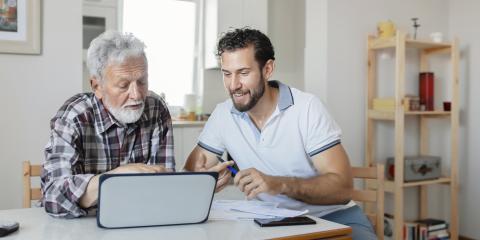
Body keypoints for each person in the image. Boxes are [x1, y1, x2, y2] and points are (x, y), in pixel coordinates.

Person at [184, 28, 376, 239]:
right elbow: (189, 175)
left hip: (334, 216)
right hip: (269, 223)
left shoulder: (307, 108)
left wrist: (278, 184)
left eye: (244, 73)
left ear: (268, 69)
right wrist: (206, 180)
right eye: (227, 74)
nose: (233, 85)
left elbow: (342, 189)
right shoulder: (223, 115)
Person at [41, 31, 175, 218]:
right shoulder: (74, 116)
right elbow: (53, 198)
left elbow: (164, 187)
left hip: (140, 220)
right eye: (123, 85)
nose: (137, 95)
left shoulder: (156, 108)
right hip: (81, 226)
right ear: (97, 86)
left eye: (142, 82)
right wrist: (114, 178)